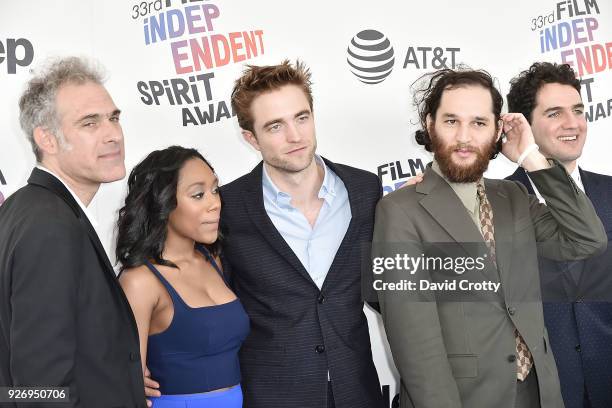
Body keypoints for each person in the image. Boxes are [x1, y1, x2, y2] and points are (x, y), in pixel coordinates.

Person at [144, 60, 384, 408]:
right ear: (251, 138)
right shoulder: (227, 208)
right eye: (275, 126)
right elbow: (184, 288)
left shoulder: (365, 190)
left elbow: (389, 293)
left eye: (302, 118)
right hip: (271, 394)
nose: (295, 136)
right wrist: (138, 363)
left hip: (357, 391)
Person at [372, 68, 607, 408]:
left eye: (479, 123)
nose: (465, 137)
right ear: (430, 123)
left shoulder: (513, 196)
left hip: (540, 393)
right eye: (452, 121)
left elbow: (587, 239)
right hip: (465, 398)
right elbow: (415, 346)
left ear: (498, 130)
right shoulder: (398, 210)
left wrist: (531, 157)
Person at [0, 57, 146, 407]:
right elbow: (39, 387)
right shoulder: (50, 226)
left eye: (113, 118)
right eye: (89, 123)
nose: (113, 134)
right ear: (47, 139)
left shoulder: (27, 208)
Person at [506, 62, 612, 408]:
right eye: (554, 113)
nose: (573, 124)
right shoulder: (497, 202)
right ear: (525, 124)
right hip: (540, 390)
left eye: (578, 111)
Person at [117, 146, 250, 408]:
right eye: (198, 194)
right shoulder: (140, 281)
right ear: (163, 203)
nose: (215, 203)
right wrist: (129, 381)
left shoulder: (214, 261)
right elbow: (123, 380)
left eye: (214, 190)